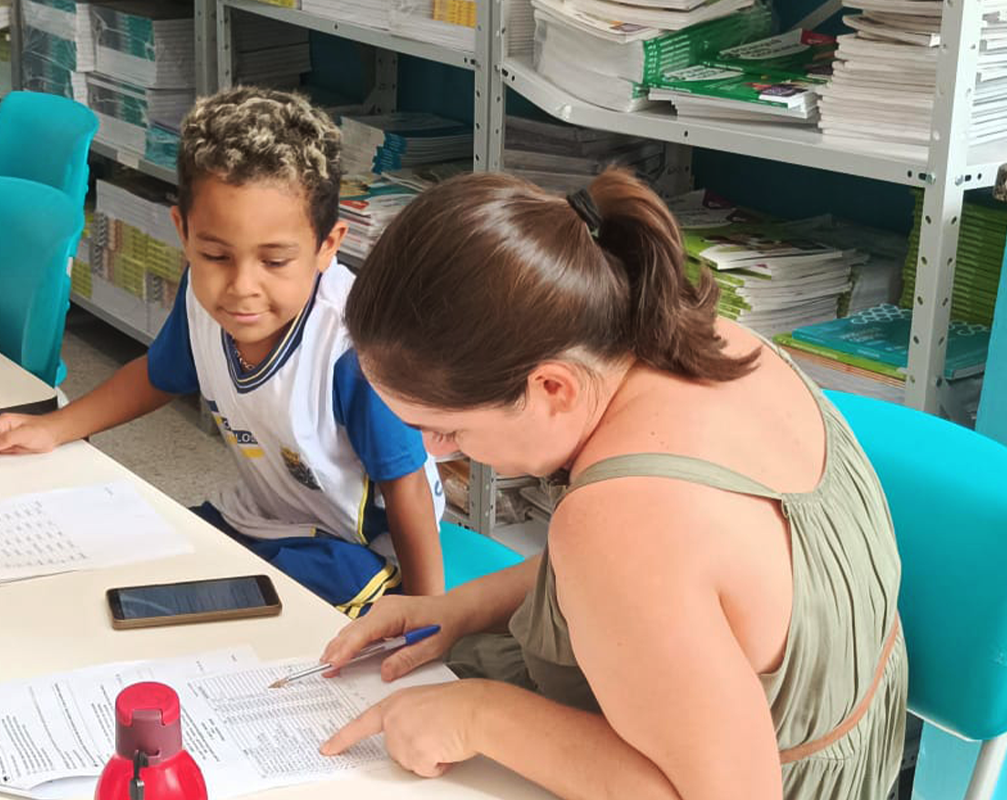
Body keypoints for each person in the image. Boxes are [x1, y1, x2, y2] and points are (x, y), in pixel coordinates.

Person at [319, 168, 906, 799]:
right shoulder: (715, 342)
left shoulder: (621, 519)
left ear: (551, 386)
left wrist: (478, 717)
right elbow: (673, 583)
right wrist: (456, 609)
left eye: (449, 432)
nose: (434, 456)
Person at [0, 87, 446, 614]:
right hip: (260, 515)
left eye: (275, 261)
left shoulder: (353, 348)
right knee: (145, 571)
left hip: (355, 551)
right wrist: (54, 427)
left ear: (328, 246)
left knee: (234, 618)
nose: (240, 286)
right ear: (183, 233)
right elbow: (158, 375)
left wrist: (427, 616)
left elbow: (407, 487)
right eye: (215, 254)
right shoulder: (200, 295)